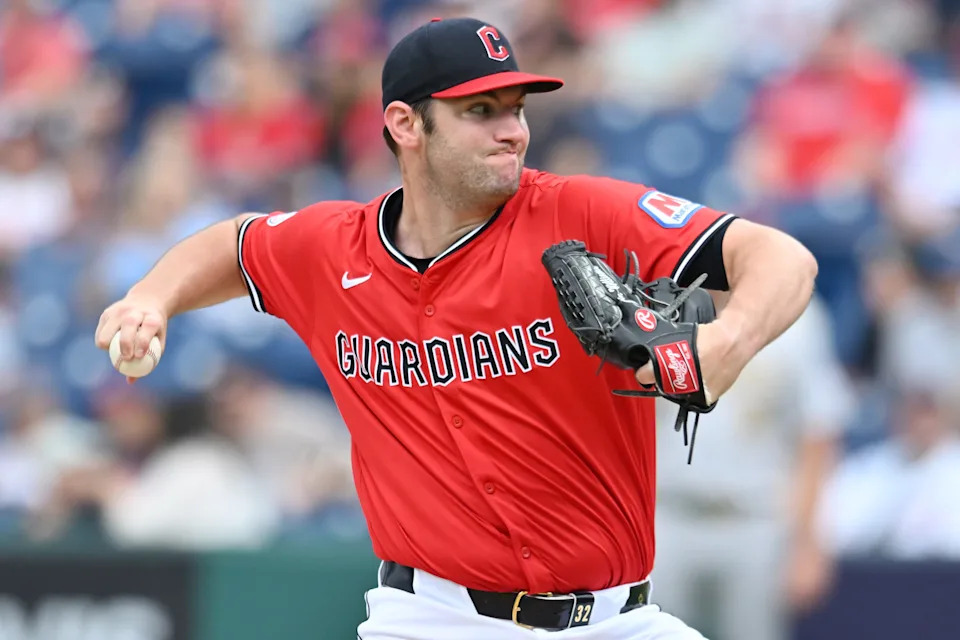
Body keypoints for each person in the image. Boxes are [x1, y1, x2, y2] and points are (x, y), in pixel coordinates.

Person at [95, 17, 817, 640]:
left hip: (615, 619)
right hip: (431, 618)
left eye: (517, 107)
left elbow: (781, 256)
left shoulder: (582, 214)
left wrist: (727, 340)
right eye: (481, 111)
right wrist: (150, 299)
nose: (513, 130)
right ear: (406, 125)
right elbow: (234, 243)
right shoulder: (334, 250)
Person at [652, 296, 854, 640]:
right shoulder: (652, 303)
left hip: (755, 519)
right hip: (666, 515)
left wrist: (807, 542)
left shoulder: (795, 313)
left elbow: (817, 435)